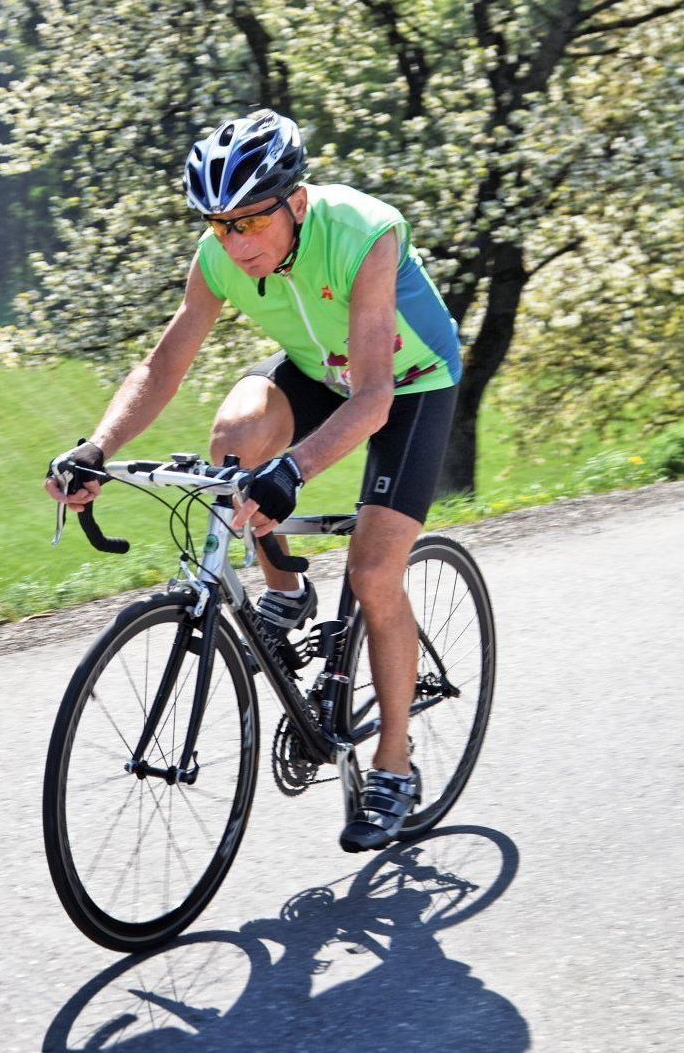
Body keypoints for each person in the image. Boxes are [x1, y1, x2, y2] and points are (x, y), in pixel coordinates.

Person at [44, 109, 462, 852]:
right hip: (315, 371)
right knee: (234, 440)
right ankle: (285, 594)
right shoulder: (216, 256)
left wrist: (293, 472)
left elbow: (371, 398)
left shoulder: (364, 234)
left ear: (295, 203)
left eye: (249, 222)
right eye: (219, 224)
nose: (235, 243)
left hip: (406, 384)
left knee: (372, 572)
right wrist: (97, 448)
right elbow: (162, 364)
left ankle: (393, 764)